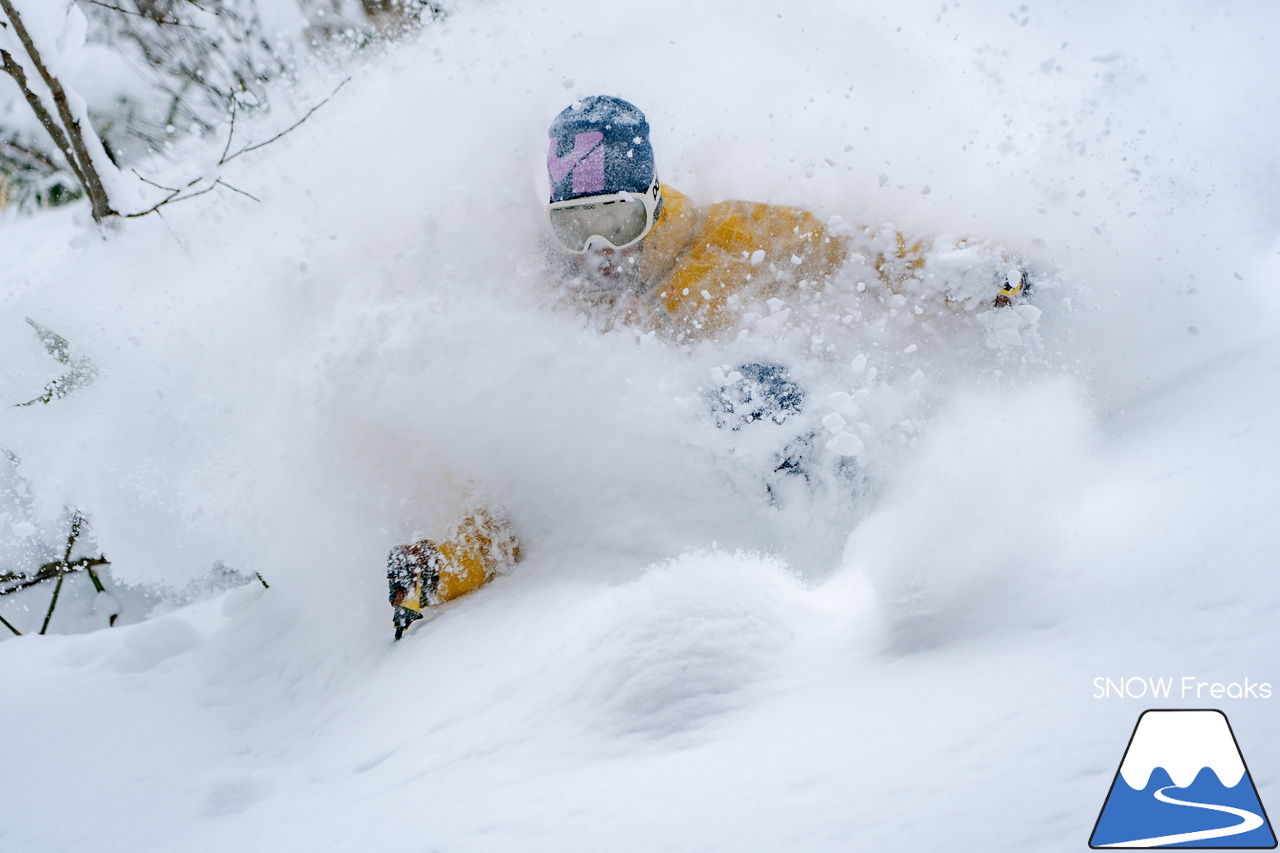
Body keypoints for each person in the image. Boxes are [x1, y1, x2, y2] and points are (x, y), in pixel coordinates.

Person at [386, 95, 1031, 639]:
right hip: (661, 548)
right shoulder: (556, 317)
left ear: (653, 198)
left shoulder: (727, 238)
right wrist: (443, 569)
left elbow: (862, 259)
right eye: (574, 225)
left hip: (795, 481)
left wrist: (968, 280)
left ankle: (863, 563)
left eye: (616, 217)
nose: (599, 248)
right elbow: (521, 487)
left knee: (746, 387)